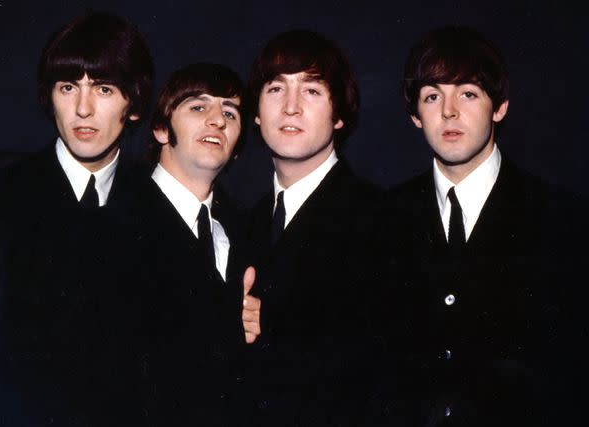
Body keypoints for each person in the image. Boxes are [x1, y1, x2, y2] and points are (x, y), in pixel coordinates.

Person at [0, 12, 154, 425]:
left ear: (132, 102)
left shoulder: (158, 203)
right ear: (50, 97)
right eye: (67, 88)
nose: (83, 109)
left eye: (104, 88)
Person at [381, 25, 588, 426]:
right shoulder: (379, 218)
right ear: (414, 116)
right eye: (432, 96)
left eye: (468, 93)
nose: (449, 111)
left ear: (500, 106)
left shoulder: (565, 219)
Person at [243, 29, 385, 426]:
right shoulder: (243, 223)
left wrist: (274, 324)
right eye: (275, 89)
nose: (290, 107)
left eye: (311, 91)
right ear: (255, 111)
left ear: (339, 113)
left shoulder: (383, 219)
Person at [133, 62, 248, 425]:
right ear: (161, 129)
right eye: (198, 107)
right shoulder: (116, 218)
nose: (218, 119)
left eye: (230, 111)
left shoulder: (244, 233)